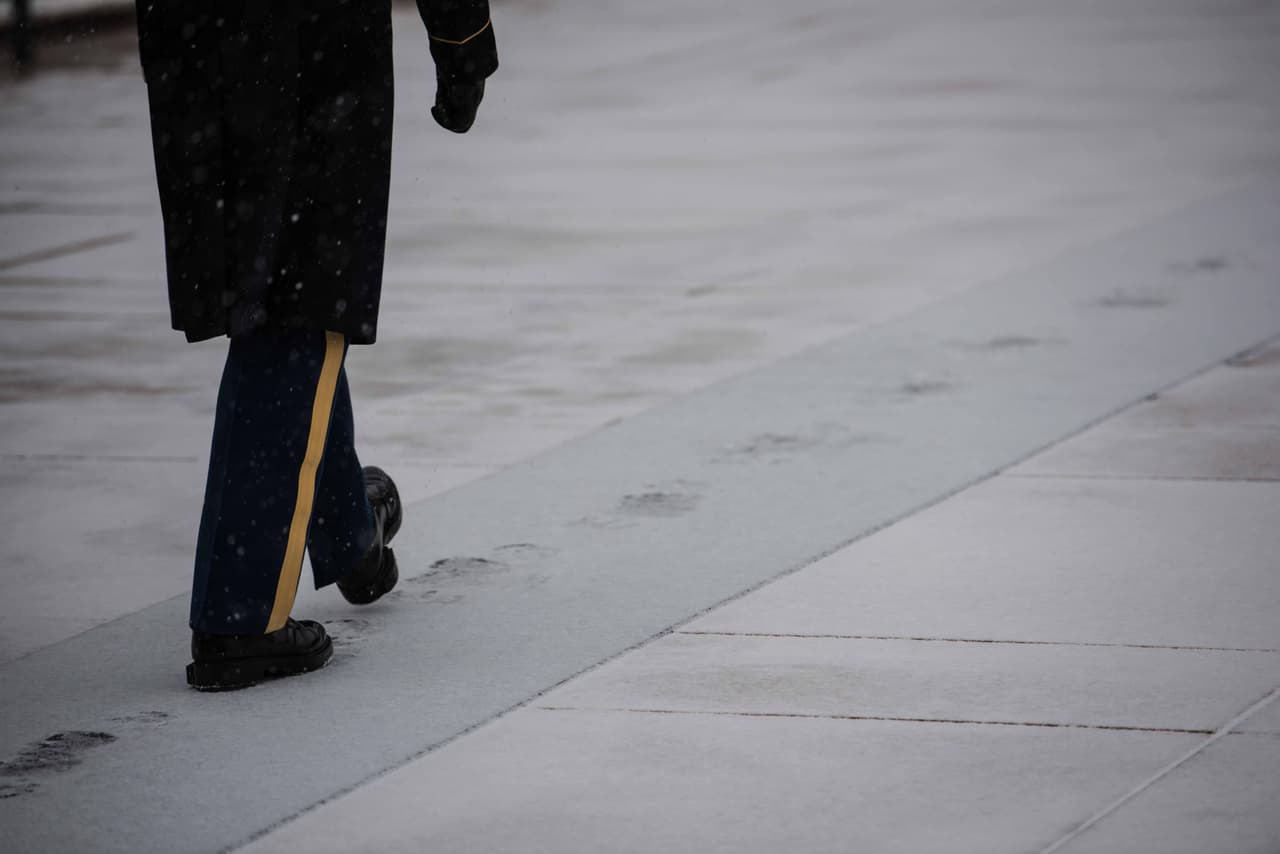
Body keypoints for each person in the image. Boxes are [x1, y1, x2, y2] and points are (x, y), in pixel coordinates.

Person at [134, 0, 498, 690]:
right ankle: (240, 618)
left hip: (188, 32)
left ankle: (347, 534)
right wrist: (464, 43)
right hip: (309, 41)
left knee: (270, 289)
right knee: (299, 303)